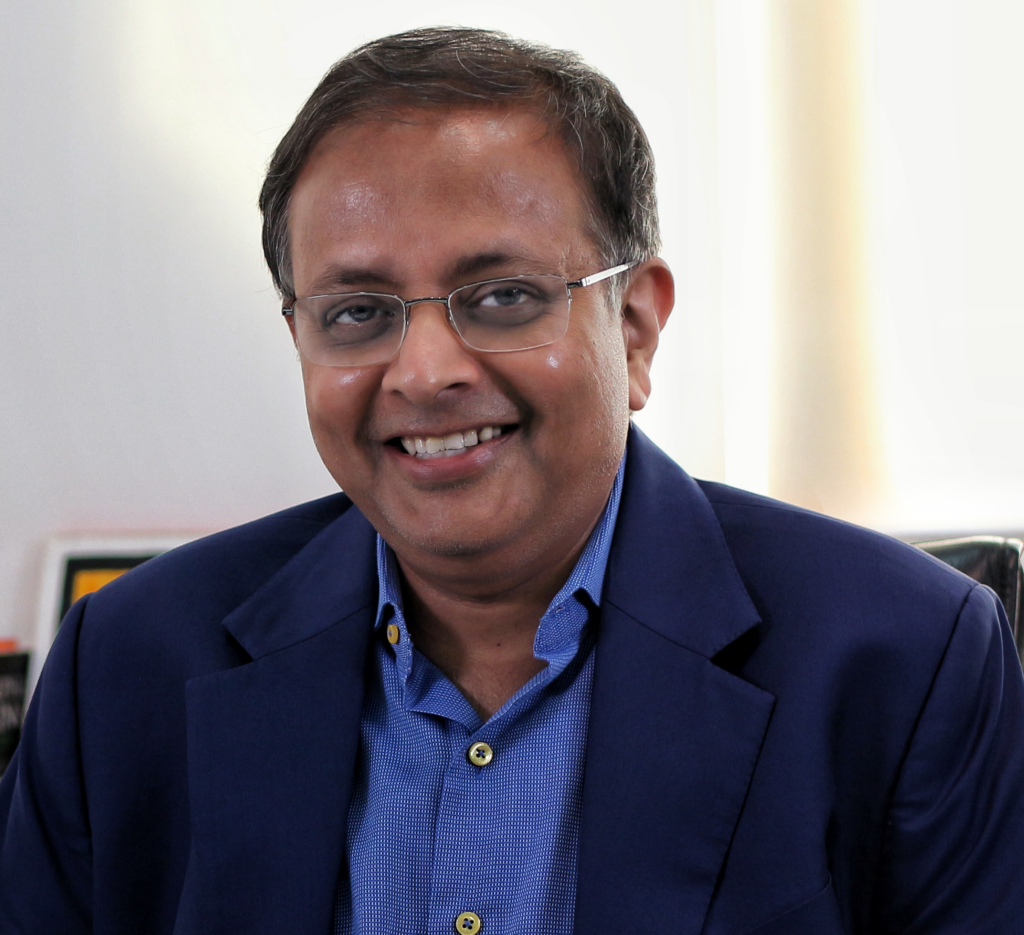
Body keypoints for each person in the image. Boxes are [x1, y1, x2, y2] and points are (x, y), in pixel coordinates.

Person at [1, 26, 1023, 935]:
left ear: (635, 327)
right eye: (357, 312)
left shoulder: (904, 658)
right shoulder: (124, 664)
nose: (425, 371)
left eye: (501, 297)